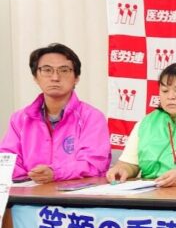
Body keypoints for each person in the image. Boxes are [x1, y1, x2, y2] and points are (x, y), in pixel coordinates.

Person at [0, 43, 109, 182]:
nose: (55, 77)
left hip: (77, 193)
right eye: (47, 70)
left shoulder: (92, 117)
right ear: (35, 77)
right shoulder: (20, 119)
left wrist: (55, 173)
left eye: (64, 70)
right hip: (31, 191)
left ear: (76, 78)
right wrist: (32, 176)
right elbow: (7, 160)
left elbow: (94, 164)